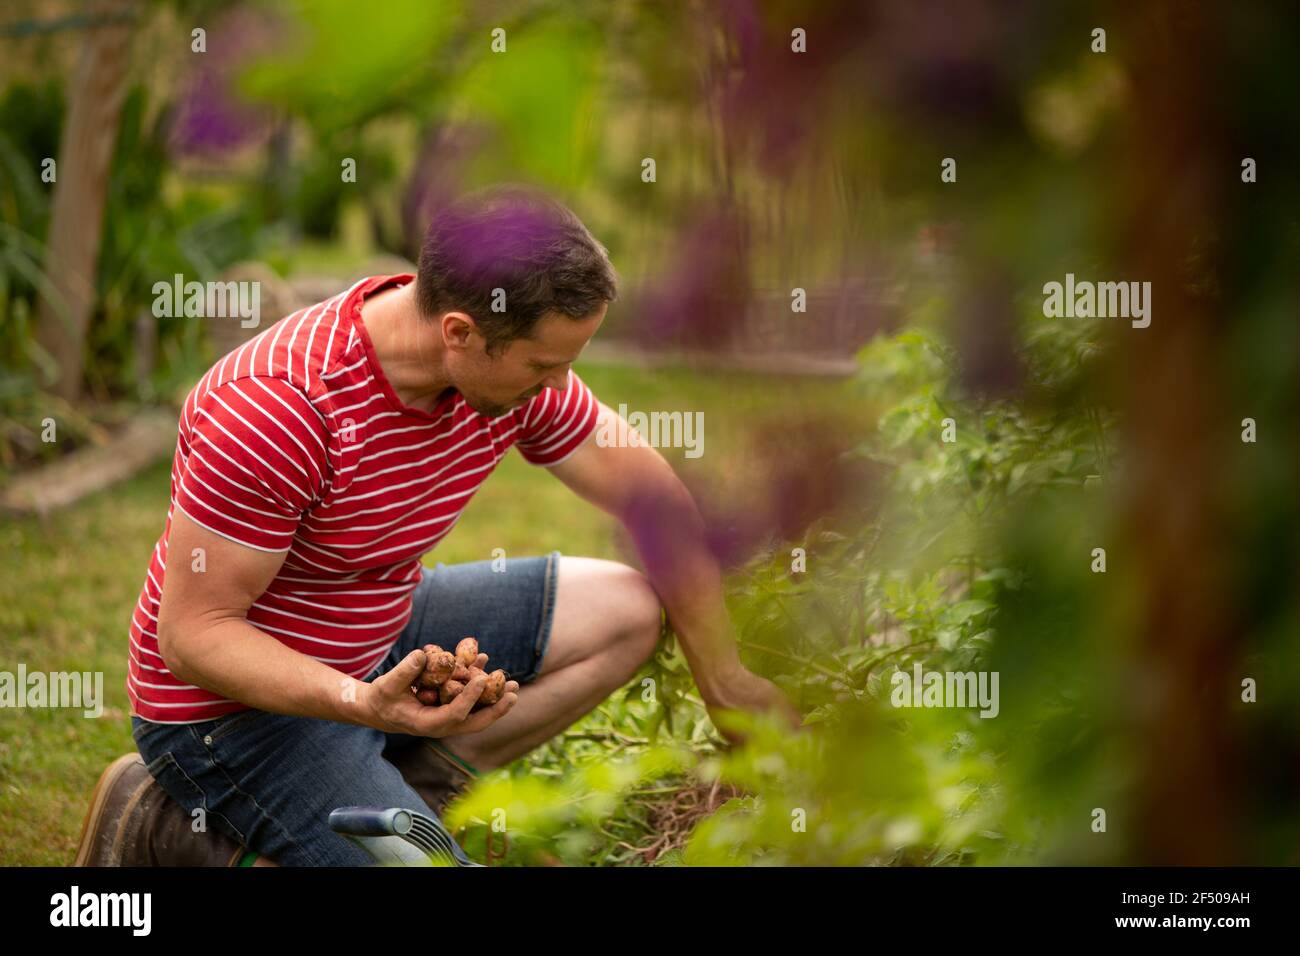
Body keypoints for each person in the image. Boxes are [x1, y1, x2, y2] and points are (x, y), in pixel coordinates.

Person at [75, 184, 801, 866]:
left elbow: (653, 498)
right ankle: (166, 821)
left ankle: (400, 789)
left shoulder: (501, 373)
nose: (557, 389)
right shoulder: (279, 409)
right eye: (543, 367)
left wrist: (727, 681)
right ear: (459, 331)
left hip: (378, 634)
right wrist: (360, 704)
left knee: (629, 609)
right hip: (230, 718)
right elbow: (194, 638)